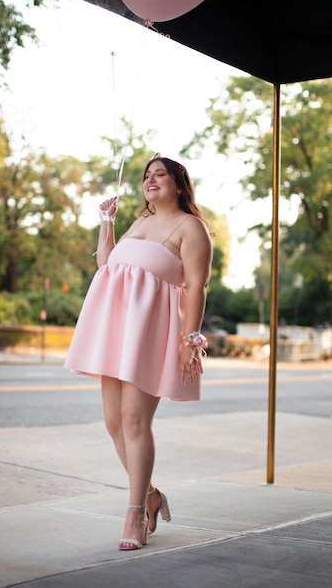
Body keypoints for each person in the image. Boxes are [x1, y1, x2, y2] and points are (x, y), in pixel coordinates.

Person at [64, 154, 213, 551]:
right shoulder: (141, 222)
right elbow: (106, 265)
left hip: (151, 333)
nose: (151, 180)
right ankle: (149, 493)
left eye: (159, 174)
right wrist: (106, 222)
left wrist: (190, 339)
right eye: (147, 175)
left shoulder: (191, 227)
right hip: (115, 329)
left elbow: (196, 287)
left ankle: (134, 515)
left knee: (134, 421)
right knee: (114, 424)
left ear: (179, 184)